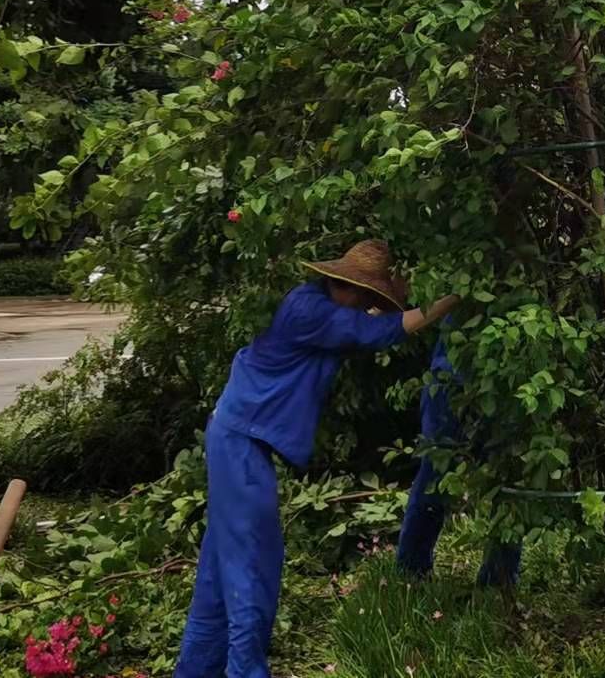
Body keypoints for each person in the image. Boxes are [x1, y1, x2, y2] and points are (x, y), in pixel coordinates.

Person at [174, 240, 460, 678]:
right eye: (365, 294)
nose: (368, 304)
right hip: (241, 445)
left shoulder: (314, 303)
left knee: (218, 573)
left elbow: (367, 323)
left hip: (237, 437)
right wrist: (453, 298)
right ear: (346, 285)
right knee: (253, 568)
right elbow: (383, 330)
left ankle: (195, 671)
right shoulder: (309, 313)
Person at [394, 331, 523, 588]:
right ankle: (410, 574)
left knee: (509, 480)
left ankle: (499, 582)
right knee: (434, 473)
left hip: (508, 379)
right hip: (450, 380)